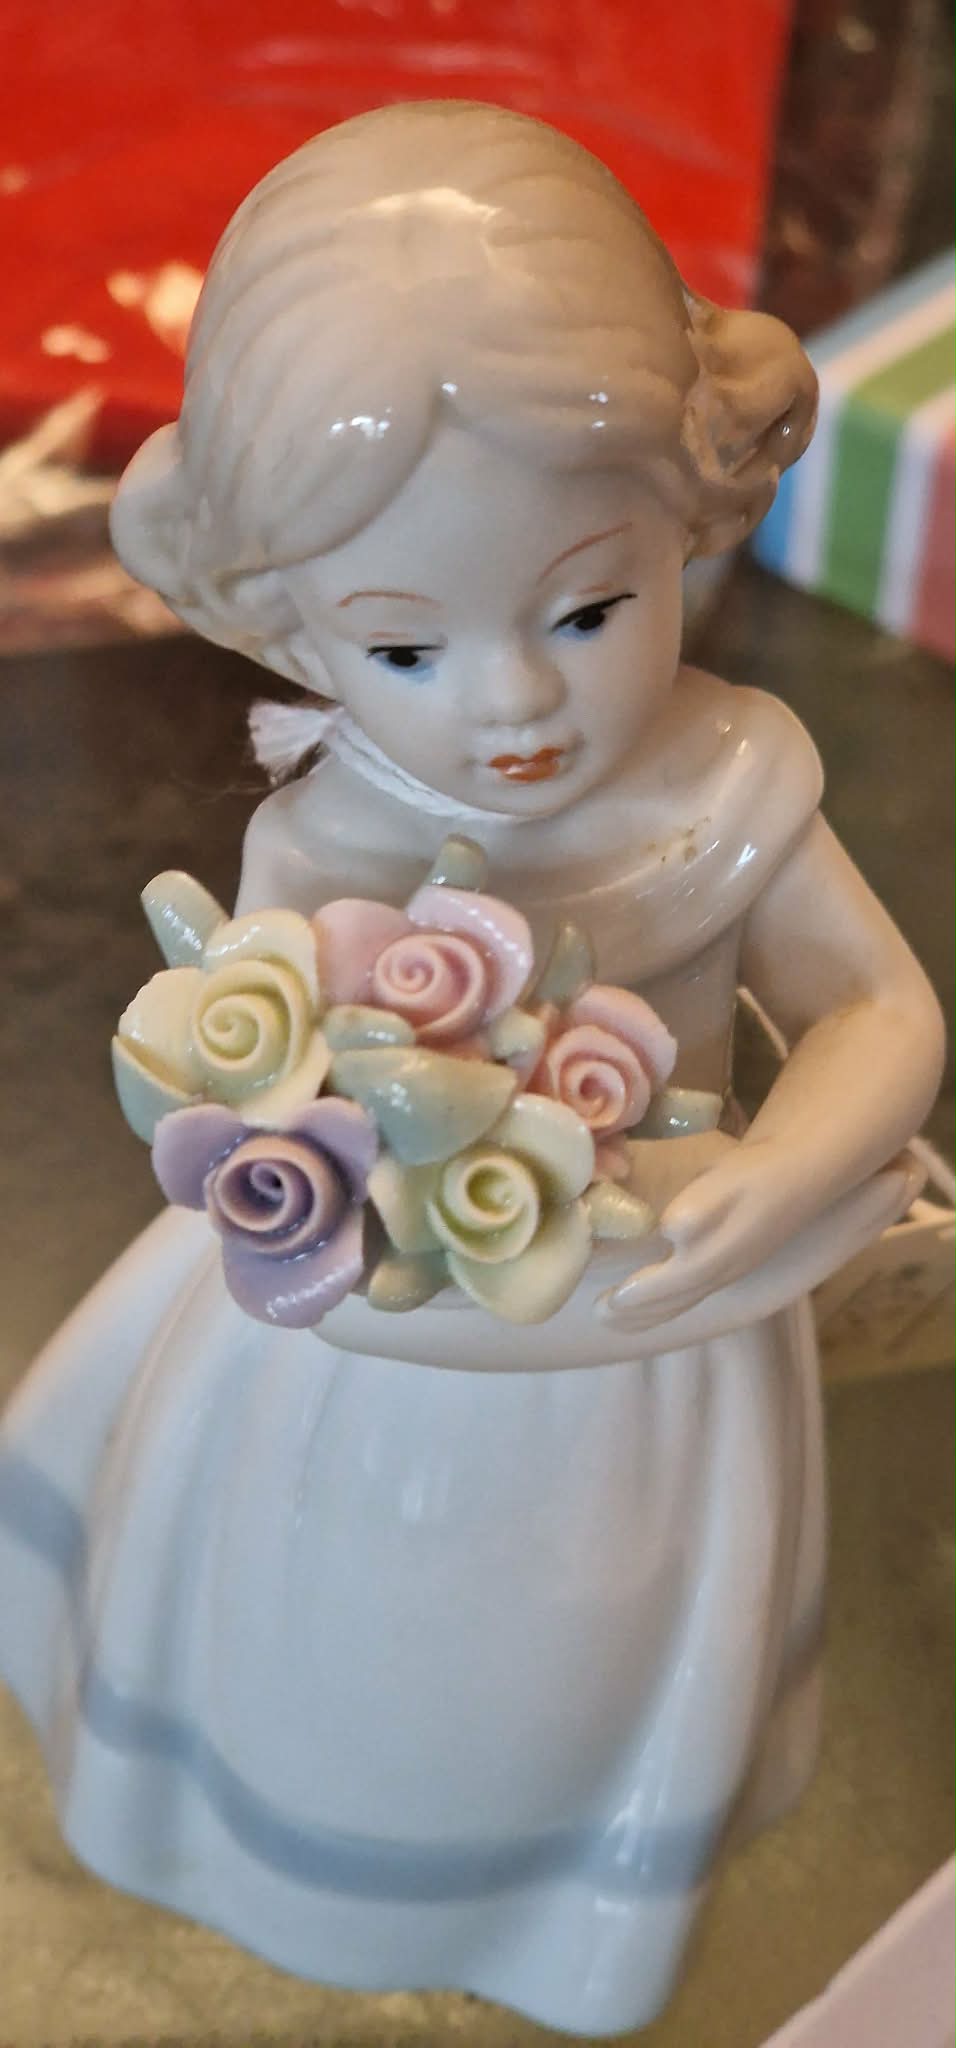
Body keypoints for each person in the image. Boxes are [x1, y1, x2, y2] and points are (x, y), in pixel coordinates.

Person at [0, 103, 942, 2035]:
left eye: (589, 609)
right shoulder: (329, 841)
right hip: (372, 1352)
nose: (513, 703)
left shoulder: (728, 781)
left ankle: (567, 1907)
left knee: (609, 1656)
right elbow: (289, 1124)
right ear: (296, 631)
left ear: (689, 519)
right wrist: (389, 1231)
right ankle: (291, 1848)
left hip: (664, 1322)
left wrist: (785, 1168)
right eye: (405, 651)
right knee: (345, 1637)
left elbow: (882, 1010)